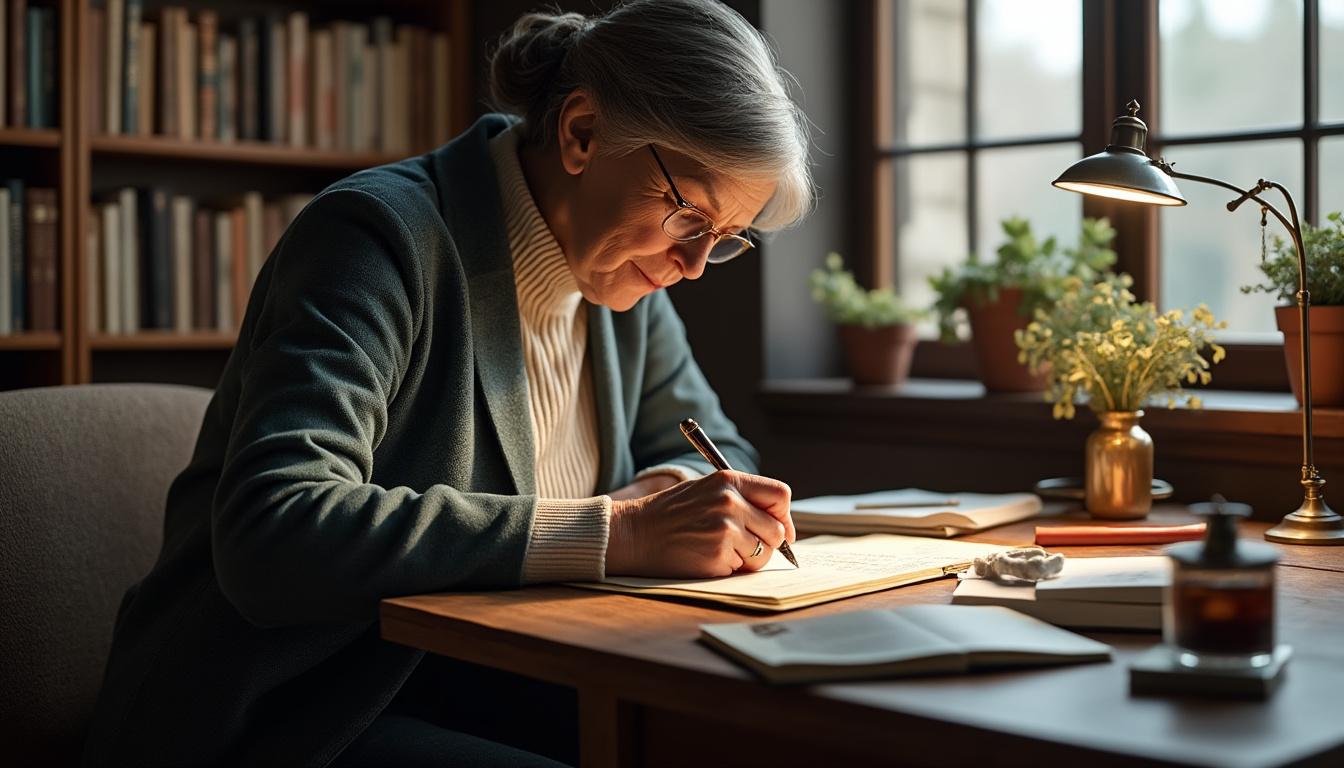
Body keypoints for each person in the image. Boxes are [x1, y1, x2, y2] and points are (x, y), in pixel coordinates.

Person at [81, 0, 813, 765]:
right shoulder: (376, 238)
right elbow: (275, 529)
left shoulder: (622, 282)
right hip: (294, 708)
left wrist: (676, 494)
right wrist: (617, 532)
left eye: (724, 239)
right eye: (688, 215)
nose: (694, 265)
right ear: (582, 133)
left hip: (495, 676)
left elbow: (719, 447)